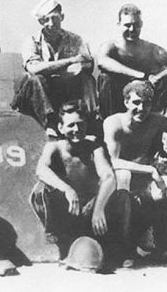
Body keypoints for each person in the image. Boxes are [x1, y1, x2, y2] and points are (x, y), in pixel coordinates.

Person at [103, 80, 167, 264]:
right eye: (136, 103)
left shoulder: (155, 121)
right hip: (120, 189)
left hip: (147, 186)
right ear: (126, 103)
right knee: (124, 174)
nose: (142, 108)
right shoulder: (114, 123)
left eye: (147, 103)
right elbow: (112, 162)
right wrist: (149, 169)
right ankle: (124, 250)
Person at [30, 101, 132, 269]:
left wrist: (98, 209)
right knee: (41, 191)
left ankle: (119, 251)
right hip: (68, 213)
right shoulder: (53, 147)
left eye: (80, 125)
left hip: (92, 213)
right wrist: (68, 190)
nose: (76, 130)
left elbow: (108, 177)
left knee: (122, 196)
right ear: (61, 128)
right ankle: (63, 247)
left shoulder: (95, 147)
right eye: (71, 126)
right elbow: (41, 170)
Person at [11, 0, 97, 137]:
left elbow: (86, 63)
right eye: (46, 20)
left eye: (55, 18)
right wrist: (69, 62)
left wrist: (55, 69)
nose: (51, 23)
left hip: (61, 91)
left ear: (62, 17)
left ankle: (90, 120)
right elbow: (34, 69)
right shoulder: (31, 41)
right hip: (33, 97)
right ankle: (50, 123)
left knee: (87, 79)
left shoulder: (75, 40)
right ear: (40, 21)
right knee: (37, 79)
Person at [97, 4, 167, 119]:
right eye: (127, 25)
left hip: (145, 98)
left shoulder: (151, 49)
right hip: (118, 101)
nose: (132, 30)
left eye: (136, 25)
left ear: (141, 24)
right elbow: (102, 61)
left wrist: (158, 77)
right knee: (106, 78)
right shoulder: (111, 46)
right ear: (119, 25)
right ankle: (108, 125)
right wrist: (141, 75)